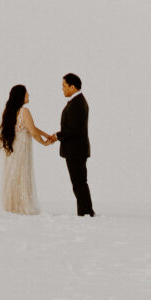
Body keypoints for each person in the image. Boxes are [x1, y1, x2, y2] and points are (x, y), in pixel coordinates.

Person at [0, 82, 56, 215]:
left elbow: (32, 128)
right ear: (21, 96)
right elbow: (33, 131)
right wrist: (45, 143)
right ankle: (22, 205)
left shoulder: (9, 111)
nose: (29, 94)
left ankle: (11, 205)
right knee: (22, 174)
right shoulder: (24, 111)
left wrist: (46, 135)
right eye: (26, 92)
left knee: (13, 174)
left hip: (13, 148)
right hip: (22, 148)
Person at [54, 73, 92, 217]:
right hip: (76, 150)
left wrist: (57, 136)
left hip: (76, 150)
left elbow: (73, 129)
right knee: (79, 182)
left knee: (79, 182)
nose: (62, 89)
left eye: (64, 86)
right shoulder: (76, 101)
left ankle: (85, 212)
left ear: (73, 87)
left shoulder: (77, 103)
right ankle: (85, 211)